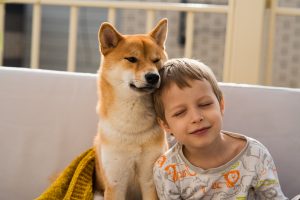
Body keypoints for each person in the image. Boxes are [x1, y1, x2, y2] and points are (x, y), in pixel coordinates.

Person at [152, 58, 287, 199]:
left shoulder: (255, 154)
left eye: (204, 104)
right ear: (165, 125)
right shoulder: (166, 170)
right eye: (180, 113)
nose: (196, 117)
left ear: (221, 105)